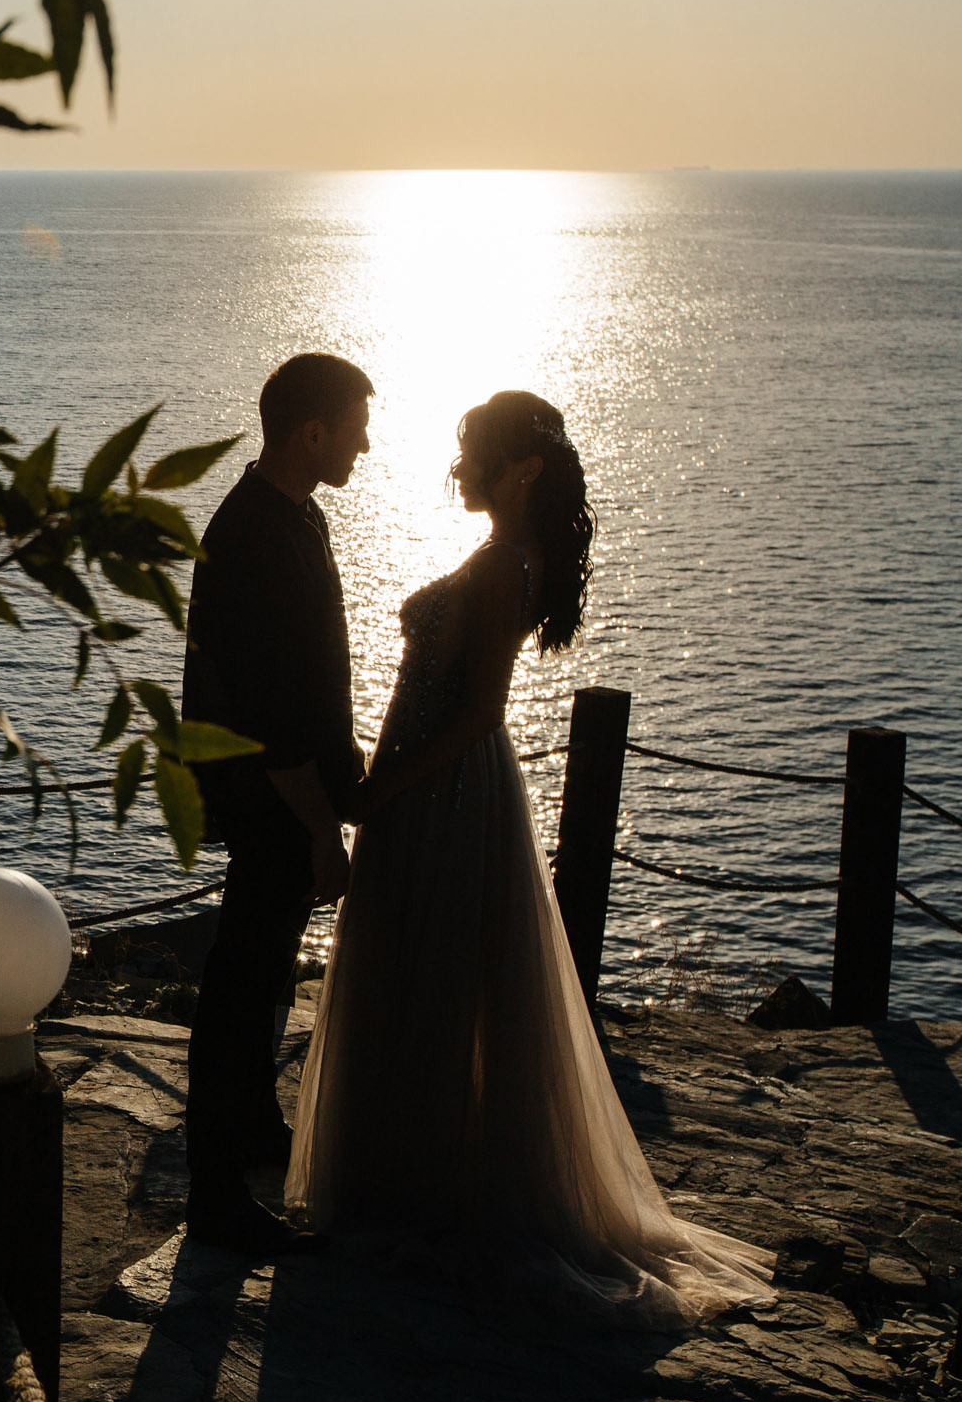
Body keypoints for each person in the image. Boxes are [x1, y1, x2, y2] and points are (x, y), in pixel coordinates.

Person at [286, 391, 775, 1324]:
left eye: (474, 450)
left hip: (447, 797)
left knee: (435, 984)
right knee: (412, 979)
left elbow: (478, 715)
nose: (458, 466)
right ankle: (402, 1179)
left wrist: (378, 793)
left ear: (527, 469)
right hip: (423, 790)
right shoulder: (501, 554)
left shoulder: (510, 562)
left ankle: (422, 1192)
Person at [180, 352, 373, 1254]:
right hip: (269, 803)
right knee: (239, 987)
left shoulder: (295, 520)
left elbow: (312, 683)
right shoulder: (255, 536)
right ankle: (216, 1192)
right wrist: (319, 828)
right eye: (356, 428)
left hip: (284, 795)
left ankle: (252, 1133)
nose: (365, 446)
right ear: (311, 432)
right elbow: (266, 718)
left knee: (259, 983)